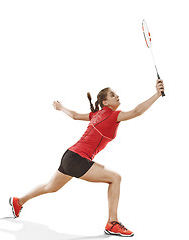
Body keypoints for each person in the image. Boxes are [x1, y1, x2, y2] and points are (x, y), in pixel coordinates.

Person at [10, 79, 165, 237]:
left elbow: (75, 116)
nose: (117, 96)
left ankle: (18, 201)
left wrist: (61, 107)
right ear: (105, 102)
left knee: (51, 187)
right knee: (115, 178)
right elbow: (136, 112)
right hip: (77, 158)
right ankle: (112, 223)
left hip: (70, 155)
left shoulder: (97, 114)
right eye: (113, 95)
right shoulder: (112, 115)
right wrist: (157, 94)